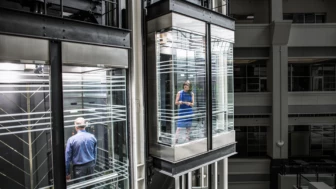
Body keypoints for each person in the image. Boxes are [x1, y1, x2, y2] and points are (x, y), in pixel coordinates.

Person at [65, 117, 97, 182]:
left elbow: (67, 159)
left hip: (79, 169)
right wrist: (93, 165)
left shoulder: (71, 140)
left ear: (76, 127)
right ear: (85, 126)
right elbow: (95, 153)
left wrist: (67, 173)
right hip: (91, 166)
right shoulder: (92, 137)